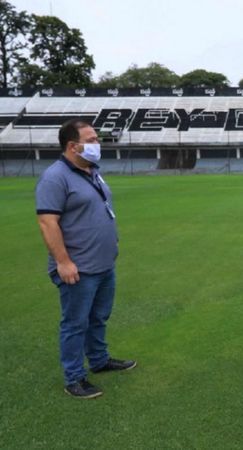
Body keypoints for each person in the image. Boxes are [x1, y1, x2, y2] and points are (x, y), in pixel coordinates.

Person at [35, 119, 136, 399]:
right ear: (72, 146)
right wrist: (63, 262)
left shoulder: (92, 171)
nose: (97, 144)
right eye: (91, 140)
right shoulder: (55, 177)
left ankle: (100, 360)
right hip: (78, 268)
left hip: (103, 264)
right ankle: (74, 378)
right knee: (75, 323)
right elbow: (47, 222)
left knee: (98, 317)